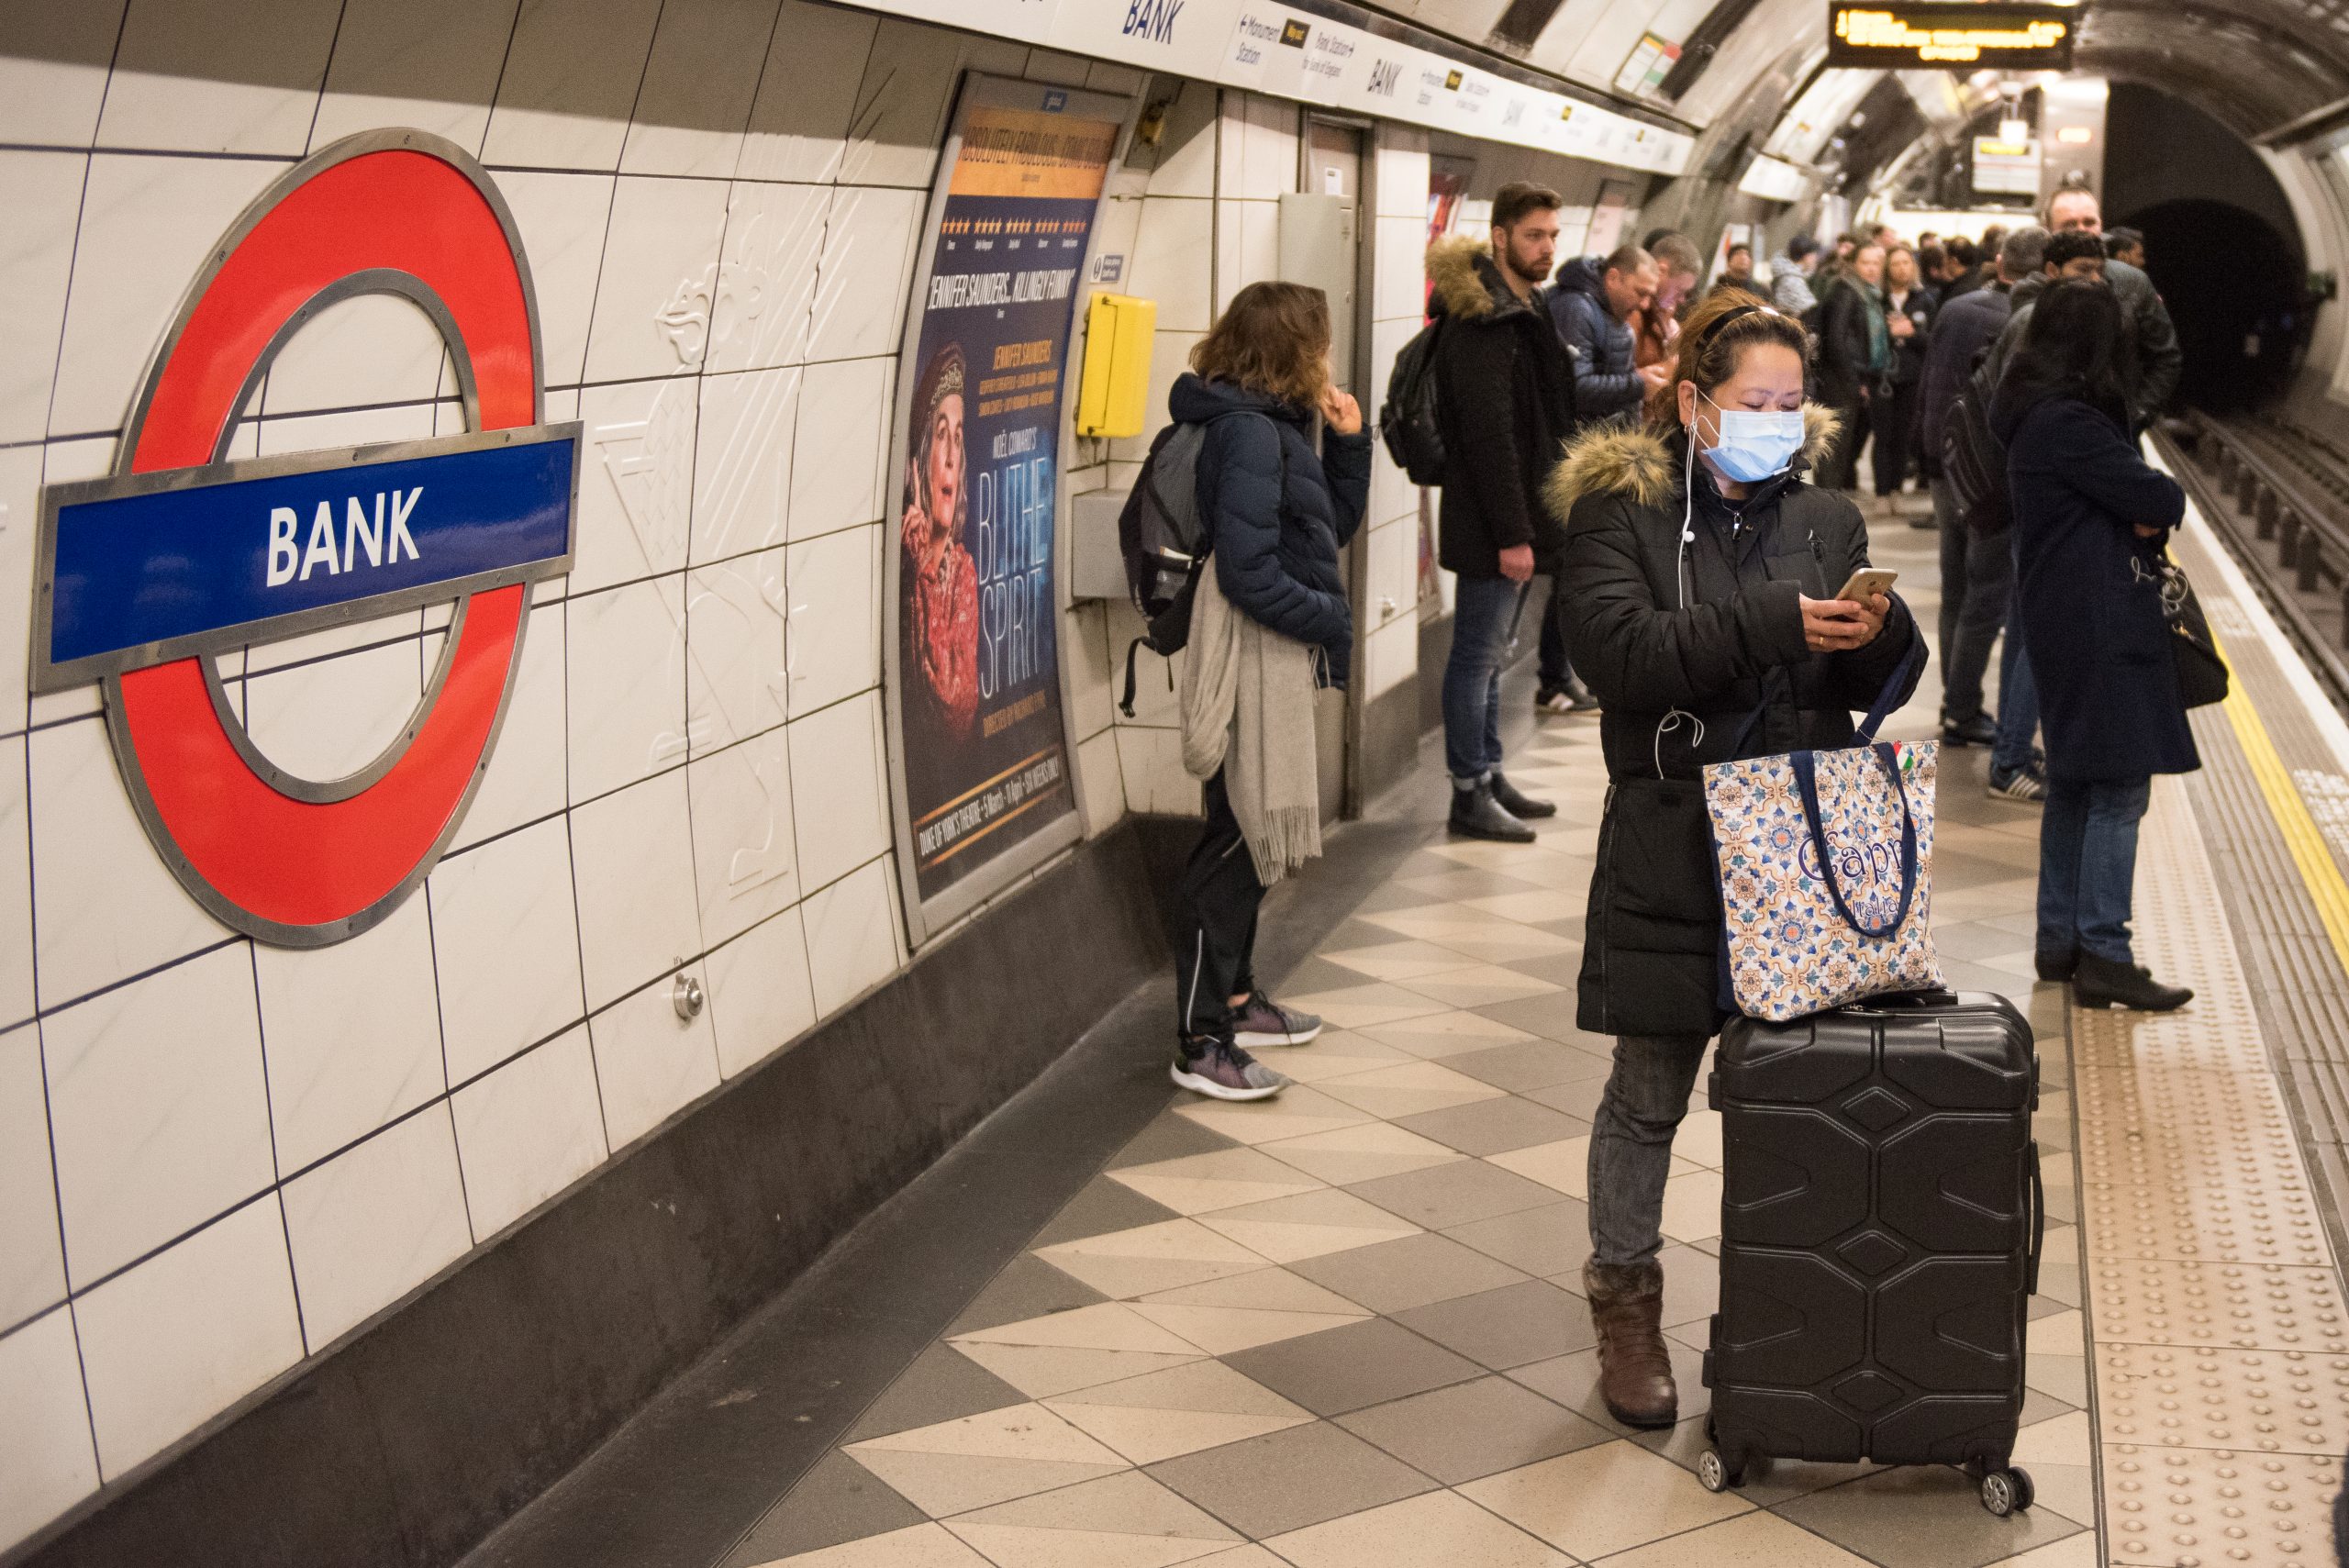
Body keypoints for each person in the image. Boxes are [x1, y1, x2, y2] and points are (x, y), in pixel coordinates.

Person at [1549, 290, 1921, 1424]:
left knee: (1793, 1097)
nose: (1775, 420)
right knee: (1649, 1088)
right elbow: (1617, 653)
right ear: (1692, 402)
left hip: (1796, 842)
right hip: (1674, 839)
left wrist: (1879, 639)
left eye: (1791, 403)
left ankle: (1784, 1308)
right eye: (1753, 402)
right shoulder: (1622, 512)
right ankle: (1626, 1308)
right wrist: (1768, 621)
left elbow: (1859, 682)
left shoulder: (1824, 517)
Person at [1167, 282, 1370, 1099]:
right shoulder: (1248, 434)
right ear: (1291, 349)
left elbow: (1326, 531)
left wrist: (1350, 445)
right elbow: (1252, 572)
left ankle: (1239, 1000)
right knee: (1230, 845)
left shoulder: (1274, 423)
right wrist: (1328, 616)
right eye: (1318, 341)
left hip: (1269, 653)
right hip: (1249, 657)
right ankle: (1198, 1038)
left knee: (1246, 843)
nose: (1327, 357)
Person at [1994, 279, 2197, 1010]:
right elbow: (2159, 498)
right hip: (2100, 618)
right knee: (2118, 786)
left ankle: (2062, 940)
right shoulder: (2069, 422)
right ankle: (2105, 950)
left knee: (2077, 780)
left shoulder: (2030, 413)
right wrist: (2148, 506)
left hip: (2062, 614)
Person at [1428, 183, 1575, 840]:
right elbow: (1491, 439)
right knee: (1476, 656)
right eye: (1533, 236)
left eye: (1552, 236)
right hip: (1491, 523)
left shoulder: (1524, 306)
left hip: (1516, 518)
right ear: (1499, 236)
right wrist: (1515, 534)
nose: (1546, 248)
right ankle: (1467, 791)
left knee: (1494, 654)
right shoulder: (1482, 319)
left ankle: (1489, 771)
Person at [1920, 226, 2048, 750]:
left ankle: (1956, 700)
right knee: (1987, 599)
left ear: (1999, 263)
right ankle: (1963, 709)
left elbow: (1932, 381)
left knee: (1956, 591)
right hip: (1990, 478)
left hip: (1945, 463)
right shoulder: (2021, 322)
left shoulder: (1956, 307)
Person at [1542, 242, 1667, 714]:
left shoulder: (1612, 315)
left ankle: (1573, 672)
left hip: (1608, 458)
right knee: (1573, 574)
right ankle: (1555, 676)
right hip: (1579, 463)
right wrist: (1641, 383)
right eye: (1639, 291)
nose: (1644, 303)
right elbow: (1574, 388)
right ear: (1613, 277)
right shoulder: (1576, 310)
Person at [2031, 185, 2183, 424]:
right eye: (2069, 224)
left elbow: (2166, 357)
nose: (2082, 231)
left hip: (2115, 428)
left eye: (2089, 222)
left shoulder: (2133, 283)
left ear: (2101, 226)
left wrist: (2137, 415)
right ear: (2048, 230)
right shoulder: (2033, 284)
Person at [901, 344, 981, 790]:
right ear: (917, 464)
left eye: (959, 437)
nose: (951, 455)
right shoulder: (897, 575)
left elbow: (956, 707)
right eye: (940, 434)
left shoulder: (963, 573)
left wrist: (924, 575)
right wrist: (911, 570)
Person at [1814, 241, 1888, 490]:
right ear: (1853, 265)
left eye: (1876, 263)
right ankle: (1826, 505)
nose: (1871, 268)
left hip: (1852, 376)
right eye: (1865, 262)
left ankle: (1831, 501)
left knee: (1843, 447)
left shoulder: (1866, 294)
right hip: (1839, 380)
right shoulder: (1846, 292)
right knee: (1835, 448)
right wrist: (1854, 381)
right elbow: (1835, 340)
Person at [1876, 245, 1935, 507]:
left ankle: (1897, 489)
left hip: (1912, 377)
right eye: (1896, 263)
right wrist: (1889, 333)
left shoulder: (1925, 300)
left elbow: (1933, 341)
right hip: (1883, 377)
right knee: (1883, 435)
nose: (1901, 268)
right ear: (1888, 268)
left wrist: (1912, 334)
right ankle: (1881, 491)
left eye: (1906, 263)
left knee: (1902, 435)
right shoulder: (1877, 300)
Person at [1632, 232, 1703, 370]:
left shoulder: (1659, 314)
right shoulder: (1630, 308)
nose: (1682, 300)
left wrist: (1668, 337)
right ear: (1661, 271)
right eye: (1679, 290)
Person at [1772, 233, 1820, 319]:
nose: (1816, 259)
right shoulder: (1791, 280)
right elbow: (1808, 311)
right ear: (1806, 256)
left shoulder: (1791, 276)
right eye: (1814, 255)